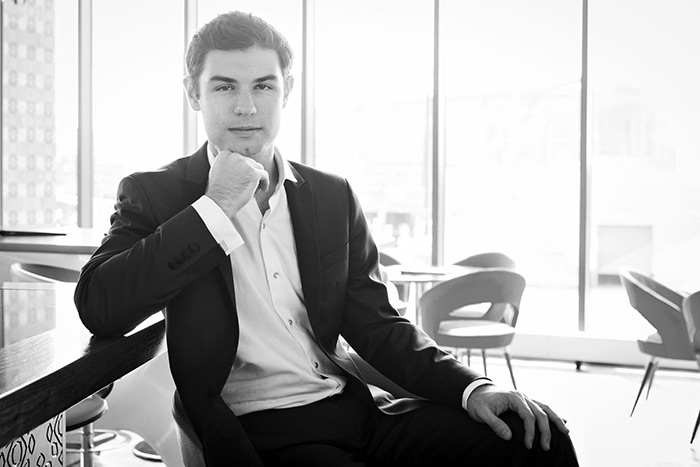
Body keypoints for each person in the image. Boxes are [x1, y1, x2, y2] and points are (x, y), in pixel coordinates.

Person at [74, 10, 578, 467]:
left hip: (357, 405)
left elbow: (379, 324)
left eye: (264, 86)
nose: (246, 107)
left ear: (286, 90)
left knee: (538, 440)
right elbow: (101, 306)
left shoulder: (332, 196)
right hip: (261, 426)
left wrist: (473, 388)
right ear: (194, 94)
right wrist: (214, 207)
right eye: (224, 87)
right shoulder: (155, 193)